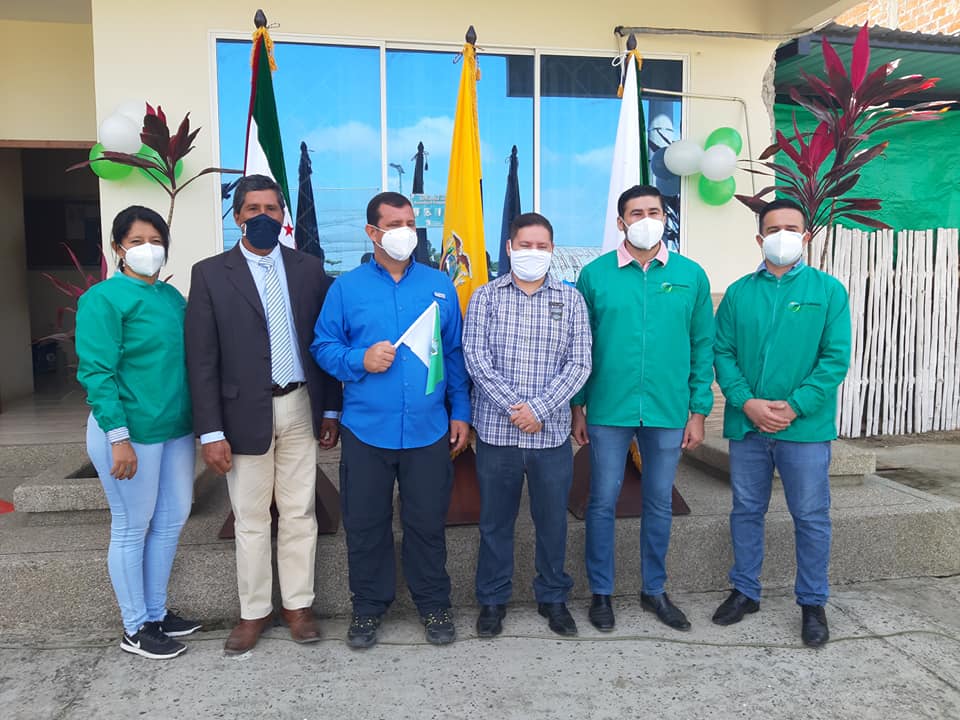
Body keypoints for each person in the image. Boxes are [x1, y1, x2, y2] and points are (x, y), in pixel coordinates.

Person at [184, 174, 342, 655]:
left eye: (271, 209)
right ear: (237, 217)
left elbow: (325, 342)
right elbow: (201, 359)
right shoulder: (211, 274)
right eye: (253, 209)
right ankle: (253, 612)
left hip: (300, 404)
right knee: (251, 517)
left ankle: (298, 607)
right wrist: (210, 431)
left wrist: (330, 408)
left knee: (299, 511)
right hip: (241, 413)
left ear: (283, 216)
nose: (262, 217)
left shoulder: (309, 269)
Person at [311, 191, 470, 649]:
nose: (406, 232)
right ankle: (367, 608)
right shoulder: (346, 288)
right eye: (395, 224)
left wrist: (461, 412)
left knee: (427, 523)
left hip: (428, 429)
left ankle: (434, 604)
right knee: (366, 525)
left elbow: (453, 354)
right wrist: (359, 359)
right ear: (372, 232)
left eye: (410, 223)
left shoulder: (439, 285)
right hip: (367, 431)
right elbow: (322, 346)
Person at [571, 184, 714, 632]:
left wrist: (698, 410)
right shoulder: (595, 275)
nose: (646, 219)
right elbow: (580, 346)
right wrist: (578, 407)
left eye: (654, 211)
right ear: (621, 222)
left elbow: (703, 346)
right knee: (602, 500)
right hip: (608, 409)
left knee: (658, 500)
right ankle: (601, 593)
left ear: (665, 218)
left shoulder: (691, 275)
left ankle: (654, 590)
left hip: (668, 410)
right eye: (637, 213)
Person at [711, 198, 851, 648]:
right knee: (746, 510)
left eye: (792, 228)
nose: (783, 236)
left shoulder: (828, 291)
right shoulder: (738, 293)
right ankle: (745, 591)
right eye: (774, 229)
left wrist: (794, 406)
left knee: (810, 515)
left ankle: (812, 602)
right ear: (759, 238)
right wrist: (746, 402)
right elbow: (722, 352)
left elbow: (834, 359)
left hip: (804, 429)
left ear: (806, 236)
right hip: (749, 426)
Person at [77, 205, 201, 660]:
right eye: (136, 242)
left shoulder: (171, 299)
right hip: (130, 433)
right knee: (132, 526)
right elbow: (97, 372)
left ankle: (156, 612)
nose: (148, 249)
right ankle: (135, 627)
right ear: (117, 248)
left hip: (174, 428)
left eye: (156, 241)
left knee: (172, 518)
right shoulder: (103, 299)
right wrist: (117, 437)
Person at [463, 212, 592, 638]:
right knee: (495, 523)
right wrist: (515, 408)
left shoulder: (571, 300)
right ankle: (492, 600)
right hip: (497, 435)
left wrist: (539, 409)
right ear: (509, 247)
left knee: (552, 522)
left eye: (541, 246)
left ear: (552, 250)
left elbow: (579, 363)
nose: (533, 253)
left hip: (550, 436)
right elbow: (476, 358)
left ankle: (553, 597)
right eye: (525, 245)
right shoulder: (485, 297)